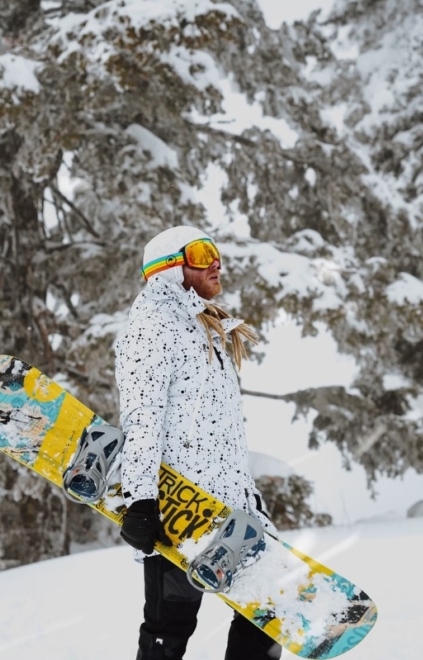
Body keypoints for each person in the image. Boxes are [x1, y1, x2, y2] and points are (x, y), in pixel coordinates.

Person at [114, 225, 282, 660]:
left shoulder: (202, 327)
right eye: (202, 252)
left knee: (266, 615)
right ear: (170, 266)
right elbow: (142, 416)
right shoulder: (152, 325)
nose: (215, 261)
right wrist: (141, 500)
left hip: (233, 509)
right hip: (182, 509)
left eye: (216, 251)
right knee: (170, 627)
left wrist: (251, 501)